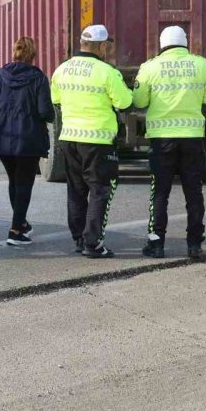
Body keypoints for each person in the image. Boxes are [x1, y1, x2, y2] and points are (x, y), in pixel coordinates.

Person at [132, 26, 206, 259]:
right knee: (194, 192)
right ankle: (194, 244)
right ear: (186, 42)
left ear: (162, 44)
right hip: (192, 138)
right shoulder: (202, 64)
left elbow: (139, 100)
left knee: (160, 193)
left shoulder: (150, 67)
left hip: (162, 141)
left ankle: (157, 243)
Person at [51, 25, 132, 258]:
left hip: (69, 138)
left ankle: (79, 238)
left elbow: (55, 100)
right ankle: (93, 243)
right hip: (97, 140)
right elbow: (125, 102)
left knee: (76, 191)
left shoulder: (62, 69)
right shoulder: (107, 72)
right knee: (99, 191)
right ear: (102, 46)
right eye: (108, 45)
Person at [0, 37, 55, 246]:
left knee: (14, 181)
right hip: (29, 140)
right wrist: (51, 115)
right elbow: (45, 112)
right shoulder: (39, 78)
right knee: (24, 183)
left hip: (3, 139)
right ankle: (16, 230)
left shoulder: (0, 76)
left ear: (14, 53)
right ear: (33, 55)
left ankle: (22, 223)